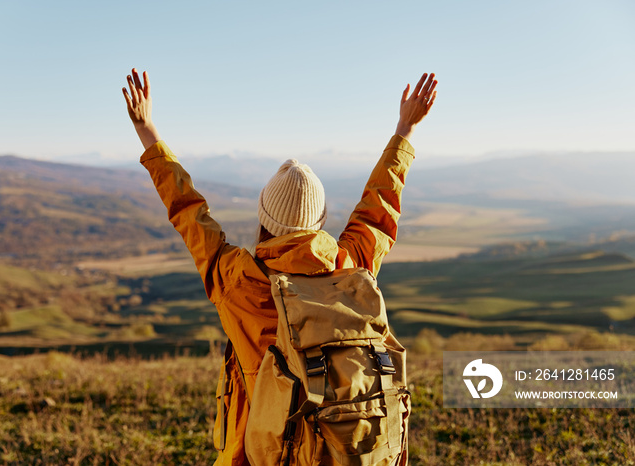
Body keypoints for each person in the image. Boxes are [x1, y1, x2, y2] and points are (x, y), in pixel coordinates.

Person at [123, 69, 437, 465]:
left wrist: (147, 131)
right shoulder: (352, 267)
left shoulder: (238, 279)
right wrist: (404, 131)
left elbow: (188, 211)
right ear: (319, 220)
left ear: (263, 217)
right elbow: (379, 209)